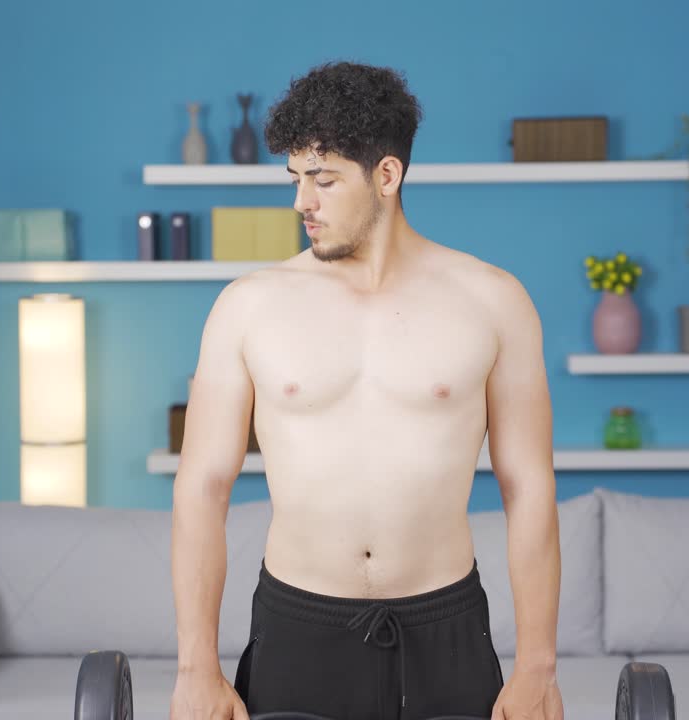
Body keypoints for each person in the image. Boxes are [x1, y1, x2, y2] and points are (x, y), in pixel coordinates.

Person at [170, 60, 564, 720]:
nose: (302, 202)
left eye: (323, 179)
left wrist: (538, 667)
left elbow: (529, 486)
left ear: (387, 175)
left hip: (446, 627)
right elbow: (202, 487)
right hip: (298, 627)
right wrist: (195, 668)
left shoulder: (494, 301)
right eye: (295, 178)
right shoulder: (248, 307)